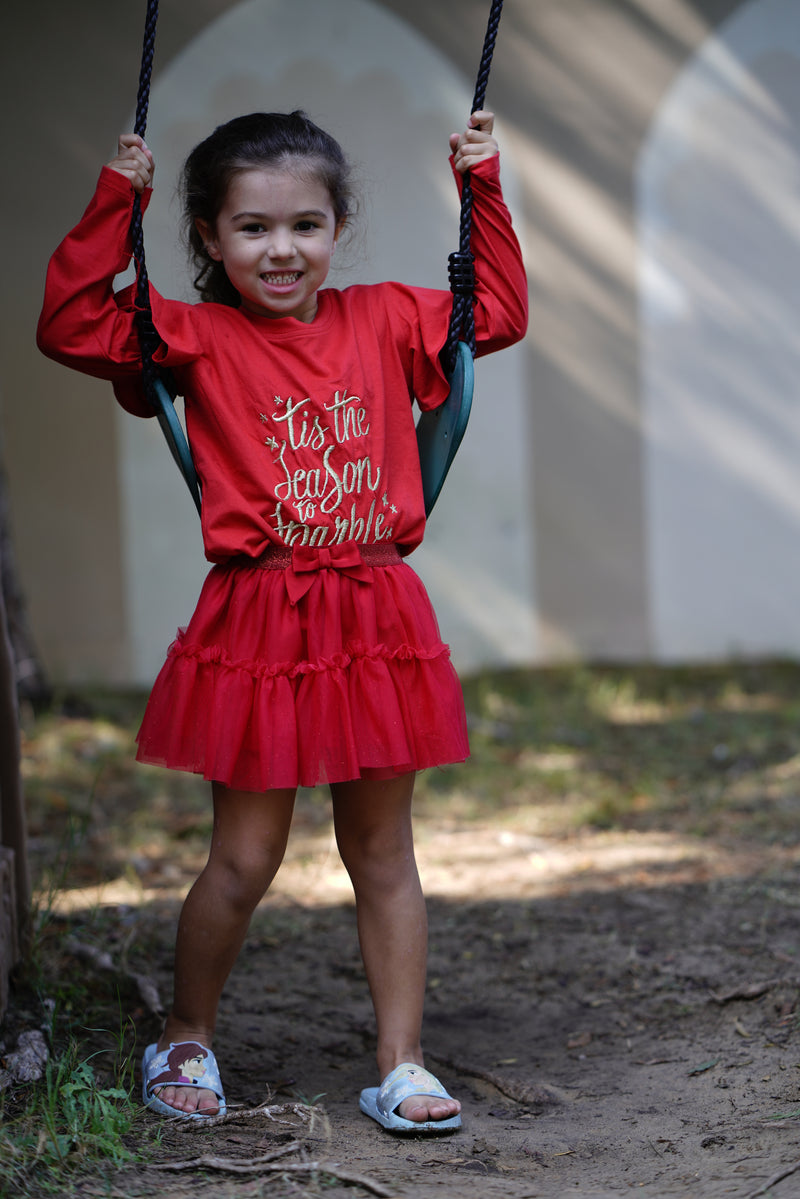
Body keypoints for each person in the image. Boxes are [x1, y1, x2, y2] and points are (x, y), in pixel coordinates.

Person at [37, 108, 527, 1132]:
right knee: (244, 857)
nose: (280, 248)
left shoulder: (387, 315)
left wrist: (481, 187)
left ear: (336, 228)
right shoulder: (194, 334)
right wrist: (113, 200)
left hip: (372, 607)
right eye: (252, 228)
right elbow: (70, 321)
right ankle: (185, 1031)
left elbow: (500, 313)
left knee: (383, 851)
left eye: (305, 224)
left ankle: (400, 1060)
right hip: (260, 616)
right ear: (211, 240)